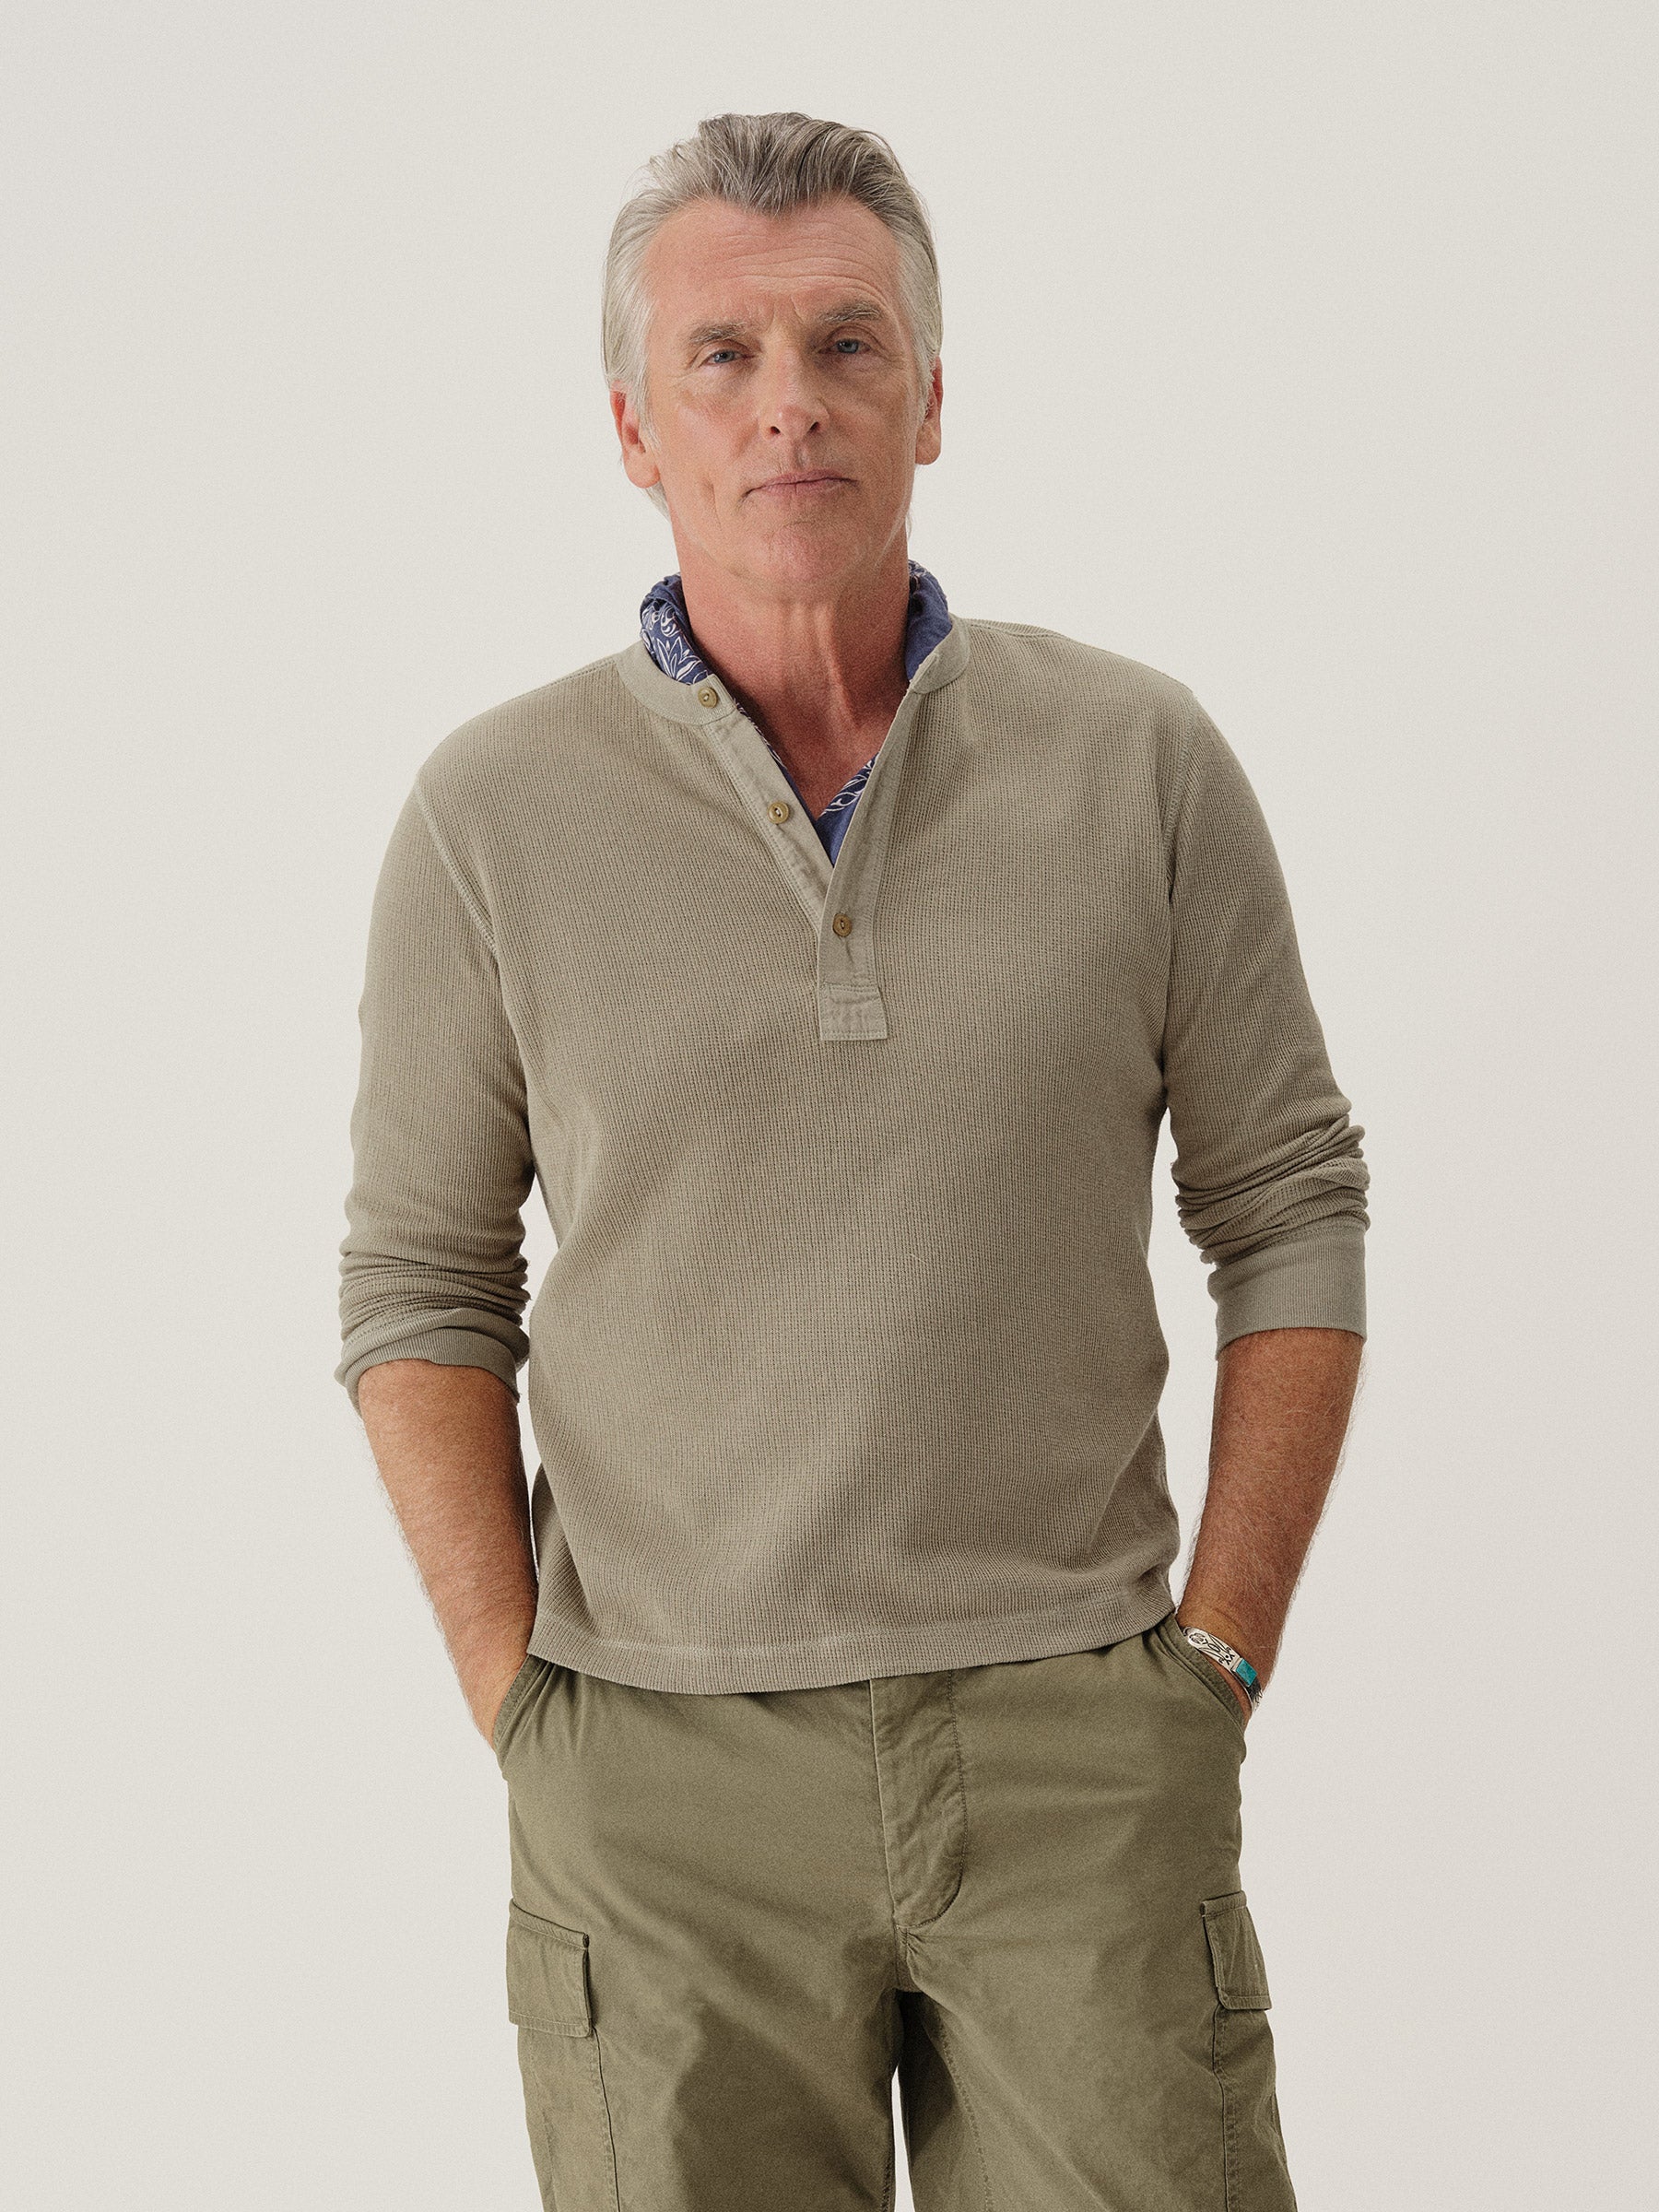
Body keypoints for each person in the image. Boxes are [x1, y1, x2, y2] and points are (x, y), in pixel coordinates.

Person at [335, 109, 1369, 2212]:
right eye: (723, 354)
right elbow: (420, 1288)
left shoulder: (1140, 763)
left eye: (846, 343)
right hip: (663, 1779)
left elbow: (1291, 1213)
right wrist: (527, 1710)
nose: (788, 402)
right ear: (635, 427)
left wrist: (1218, 1661)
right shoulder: (489, 816)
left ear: (933, 398)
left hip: (1082, 1752)